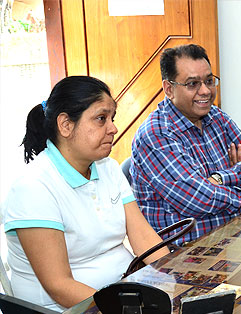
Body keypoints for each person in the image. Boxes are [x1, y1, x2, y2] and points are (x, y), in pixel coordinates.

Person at [2, 76, 169, 311]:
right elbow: (59, 286)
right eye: (101, 119)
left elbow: (144, 238)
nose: (113, 128)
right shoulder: (34, 187)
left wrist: (174, 279)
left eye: (112, 118)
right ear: (66, 125)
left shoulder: (108, 168)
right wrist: (125, 308)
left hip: (121, 295)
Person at [131, 44, 241, 246]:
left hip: (235, 236)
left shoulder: (216, 116)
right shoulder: (156, 134)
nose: (205, 91)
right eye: (192, 84)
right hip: (187, 255)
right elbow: (198, 199)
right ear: (169, 89)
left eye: (209, 81)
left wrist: (220, 178)